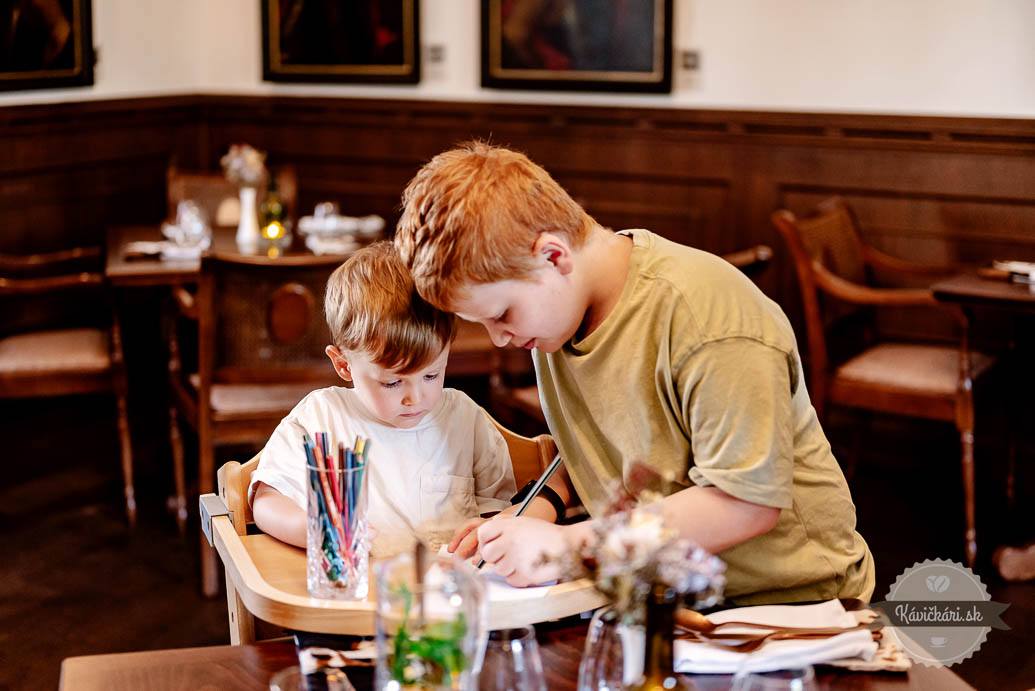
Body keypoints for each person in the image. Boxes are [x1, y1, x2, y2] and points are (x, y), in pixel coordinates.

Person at [394, 142, 875, 605]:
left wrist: (565, 548)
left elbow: (745, 503)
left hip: (793, 608)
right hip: (658, 594)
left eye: (501, 315)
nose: (499, 337)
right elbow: (603, 445)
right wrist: (533, 515)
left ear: (552, 256)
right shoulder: (553, 315)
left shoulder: (707, 320)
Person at [249, 241, 516, 558]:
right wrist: (317, 530)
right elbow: (266, 501)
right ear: (344, 365)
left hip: (449, 597)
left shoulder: (465, 419)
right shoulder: (320, 419)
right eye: (392, 382)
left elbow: (503, 512)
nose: (415, 398)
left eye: (431, 376)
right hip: (355, 596)